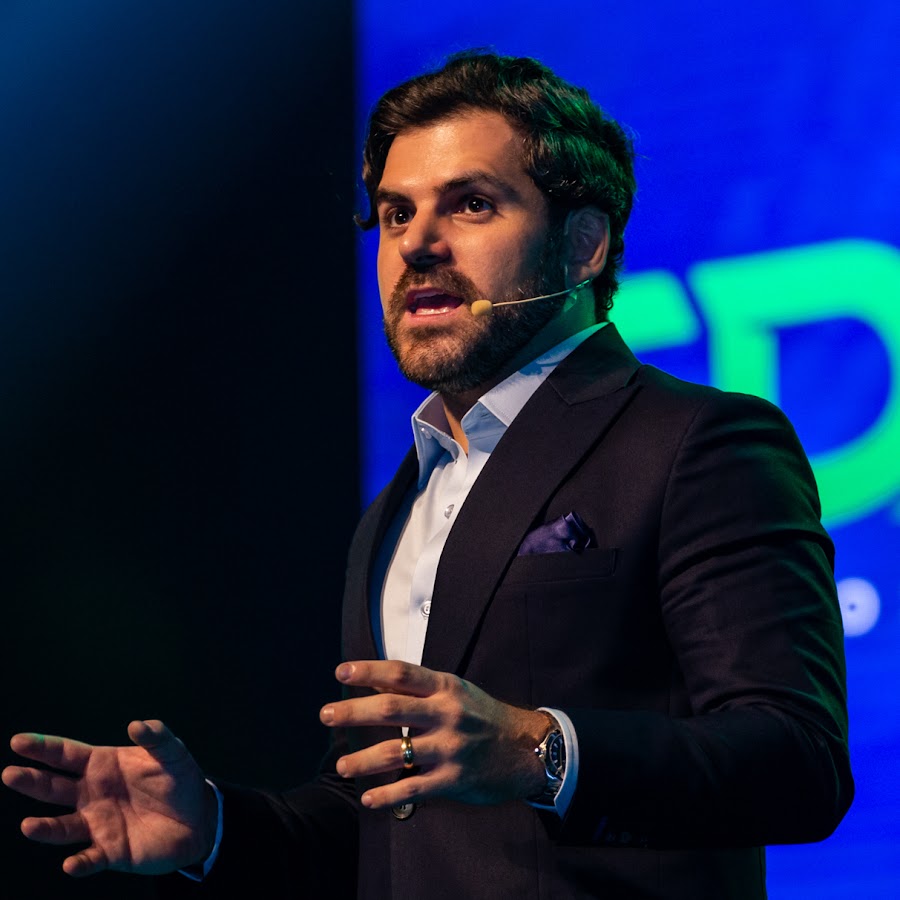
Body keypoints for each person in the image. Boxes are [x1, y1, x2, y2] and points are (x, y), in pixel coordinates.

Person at [2, 50, 853, 899]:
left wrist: (537, 750)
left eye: (471, 204)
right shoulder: (396, 506)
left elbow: (798, 760)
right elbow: (382, 817)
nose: (415, 243)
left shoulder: (696, 440)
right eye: (395, 212)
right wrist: (217, 827)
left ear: (583, 246)